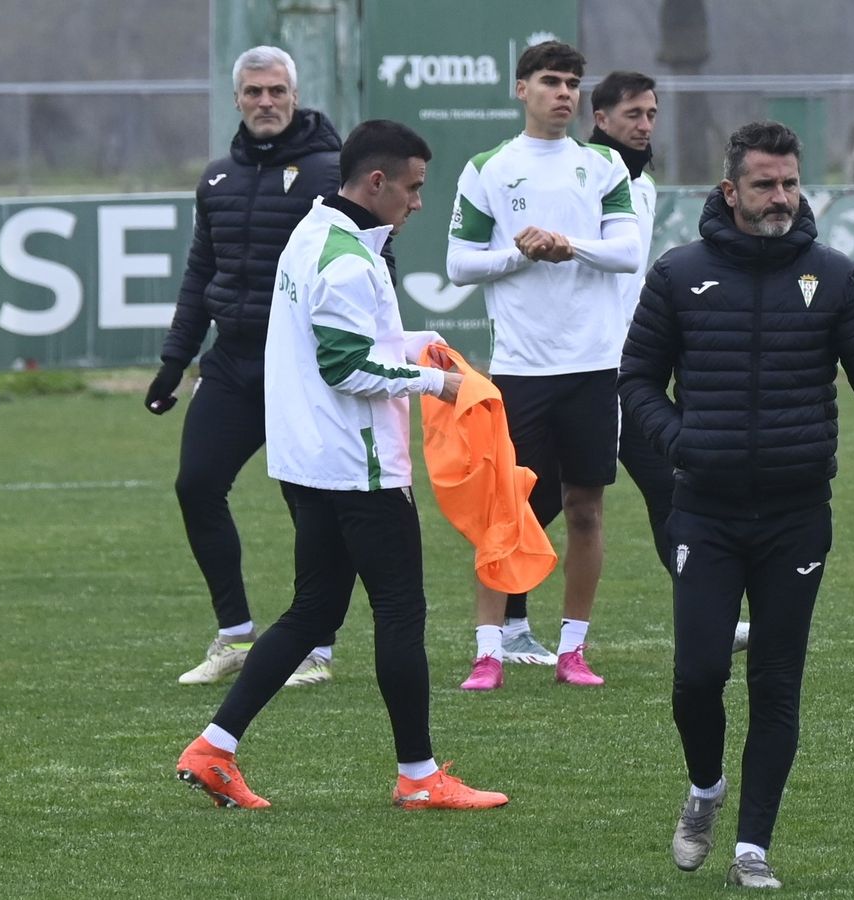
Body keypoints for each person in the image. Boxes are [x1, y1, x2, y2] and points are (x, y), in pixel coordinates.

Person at [619, 121, 854, 890]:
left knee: (776, 681)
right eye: (765, 185)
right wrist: (684, 442)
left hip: (797, 515)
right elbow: (634, 382)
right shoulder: (679, 275)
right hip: (704, 511)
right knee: (697, 677)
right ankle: (705, 789)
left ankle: (752, 847)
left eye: (790, 183)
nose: (781, 198)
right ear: (730, 191)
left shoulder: (836, 277)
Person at [175, 119, 508, 812]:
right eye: (413, 188)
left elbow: (347, 339)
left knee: (313, 611)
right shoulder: (349, 260)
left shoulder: (314, 232)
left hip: (310, 463)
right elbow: (346, 366)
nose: (418, 202)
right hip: (359, 469)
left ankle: (213, 748)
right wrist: (437, 383)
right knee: (399, 613)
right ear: (377, 182)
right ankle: (419, 777)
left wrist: (416, 343)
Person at [501, 69, 752, 657]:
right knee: (542, 499)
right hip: (575, 369)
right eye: (632, 114)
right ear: (601, 119)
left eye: (652, 114)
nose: (644, 125)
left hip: (628, 369)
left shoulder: (643, 185)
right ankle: (508, 626)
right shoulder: (580, 175)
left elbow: (631, 274)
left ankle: (710, 616)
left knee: (671, 488)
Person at [445, 40, 642, 691]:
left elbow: (627, 253)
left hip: (593, 367)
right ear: (521, 89)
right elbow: (458, 263)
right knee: (504, 510)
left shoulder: (603, 164)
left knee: (585, 510)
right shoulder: (489, 168)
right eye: (551, 81)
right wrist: (520, 254)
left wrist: (567, 244)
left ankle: (572, 651)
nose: (564, 93)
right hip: (521, 370)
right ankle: (488, 652)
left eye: (572, 84)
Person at [147, 46, 340, 687]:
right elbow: (201, 273)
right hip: (231, 362)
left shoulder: (331, 171)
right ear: (236, 99)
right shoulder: (217, 178)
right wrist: (174, 361)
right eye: (254, 92)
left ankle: (315, 647)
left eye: (276, 91)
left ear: (295, 95)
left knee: (309, 504)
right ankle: (234, 636)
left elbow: (367, 263)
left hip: (301, 364)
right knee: (196, 485)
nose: (265, 102)